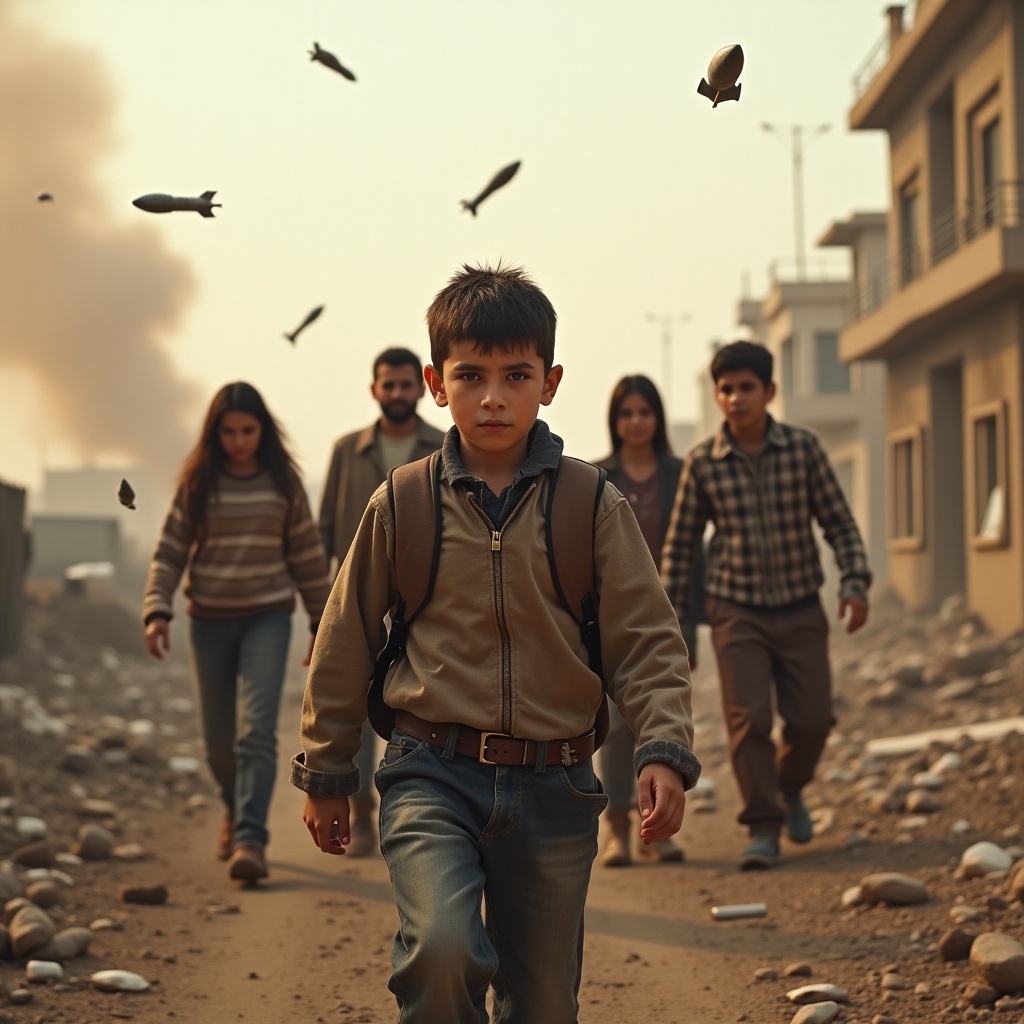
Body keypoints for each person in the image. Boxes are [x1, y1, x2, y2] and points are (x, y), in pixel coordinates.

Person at [293, 264, 701, 1023]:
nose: (492, 396)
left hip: (557, 784)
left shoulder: (590, 503)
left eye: (515, 375)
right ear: (435, 384)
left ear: (548, 382)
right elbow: (344, 638)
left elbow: (647, 639)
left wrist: (664, 751)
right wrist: (327, 767)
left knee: (544, 1004)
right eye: (471, 375)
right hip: (430, 773)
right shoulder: (402, 501)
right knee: (442, 951)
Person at [661, 341, 871, 871]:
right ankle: (762, 825)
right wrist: (679, 628)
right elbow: (680, 548)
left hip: (801, 607)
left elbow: (839, 522)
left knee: (812, 721)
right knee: (748, 720)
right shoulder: (704, 463)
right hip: (737, 612)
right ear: (717, 396)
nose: (735, 398)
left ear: (769, 391)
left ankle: (788, 787)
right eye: (726, 389)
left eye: (746, 387)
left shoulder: (803, 449)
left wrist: (855, 582)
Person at [142, 381, 332, 883]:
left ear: (263, 431)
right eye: (229, 432)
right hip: (207, 622)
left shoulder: (283, 486)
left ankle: (250, 836)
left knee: (256, 732)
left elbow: (309, 561)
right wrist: (156, 609)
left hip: (266, 620)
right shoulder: (198, 485)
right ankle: (234, 806)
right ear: (215, 433)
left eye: (248, 431)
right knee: (217, 742)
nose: (239, 441)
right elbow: (169, 552)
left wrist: (322, 624)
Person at [317, 347, 445, 856]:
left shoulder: (443, 447)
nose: (396, 394)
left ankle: (417, 809)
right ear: (374, 390)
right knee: (356, 697)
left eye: (405, 385)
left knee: (414, 701)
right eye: (387, 385)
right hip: (363, 595)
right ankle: (362, 815)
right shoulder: (348, 450)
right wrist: (324, 613)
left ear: (422, 388)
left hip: (423, 597)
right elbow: (326, 529)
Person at [594, 373, 703, 868]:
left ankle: (656, 830)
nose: (635, 422)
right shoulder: (595, 478)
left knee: (663, 720)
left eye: (644, 412)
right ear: (615, 421)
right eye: (626, 413)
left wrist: (693, 628)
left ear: (657, 419)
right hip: (608, 619)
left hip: (668, 620)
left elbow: (698, 556)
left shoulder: (682, 474)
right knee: (616, 728)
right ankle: (618, 829)